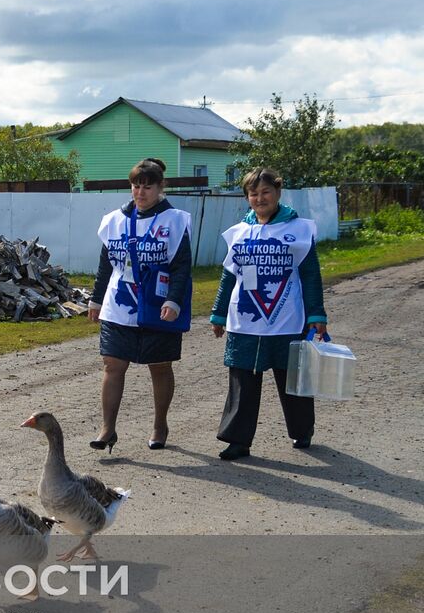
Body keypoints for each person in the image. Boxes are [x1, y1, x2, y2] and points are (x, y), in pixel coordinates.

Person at [210, 167, 327, 461]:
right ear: (247, 197)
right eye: (254, 193)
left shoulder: (298, 229)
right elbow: (229, 276)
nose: (259, 198)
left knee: (292, 379)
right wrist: (219, 313)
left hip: (287, 319)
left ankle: (303, 429)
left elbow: (311, 274)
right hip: (245, 321)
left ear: (277, 193)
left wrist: (317, 314)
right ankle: (238, 441)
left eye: (265, 192)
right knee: (242, 380)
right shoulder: (239, 232)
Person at [88, 158, 193, 452]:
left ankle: (160, 424)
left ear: (161, 187)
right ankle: (108, 427)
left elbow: (181, 266)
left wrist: (174, 300)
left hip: (158, 304)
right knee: (112, 364)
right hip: (119, 304)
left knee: (159, 367)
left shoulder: (174, 220)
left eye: (148, 186)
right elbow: (105, 264)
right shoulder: (114, 221)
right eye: (136, 186)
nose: (140, 192)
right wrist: (96, 299)